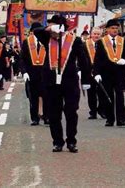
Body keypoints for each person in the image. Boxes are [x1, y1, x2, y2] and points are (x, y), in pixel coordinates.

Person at [33, 15, 89, 152]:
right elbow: (36, 30)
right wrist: (50, 28)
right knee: (53, 113)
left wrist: (86, 80)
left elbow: (83, 60)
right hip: (51, 81)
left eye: (55, 25)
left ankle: (71, 141)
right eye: (51, 26)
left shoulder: (74, 40)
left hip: (69, 81)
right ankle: (57, 141)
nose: (52, 29)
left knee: (71, 112)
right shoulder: (47, 38)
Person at [93, 19, 125, 127]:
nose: (115, 30)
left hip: (119, 73)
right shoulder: (101, 41)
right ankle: (110, 119)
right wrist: (97, 73)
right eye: (112, 28)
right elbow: (98, 59)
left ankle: (121, 119)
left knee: (120, 96)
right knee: (108, 97)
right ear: (107, 29)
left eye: (116, 28)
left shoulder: (122, 41)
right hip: (106, 73)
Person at [20, 22, 49, 125]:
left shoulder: (47, 41)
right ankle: (35, 118)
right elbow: (22, 59)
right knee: (33, 97)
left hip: (45, 73)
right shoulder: (26, 42)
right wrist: (24, 72)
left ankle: (46, 117)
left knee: (46, 96)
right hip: (31, 74)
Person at [83, 27, 106, 119]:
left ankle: (101, 110)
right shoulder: (85, 45)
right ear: (91, 34)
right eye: (95, 34)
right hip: (89, 71)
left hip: (101, 72)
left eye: (98, 34)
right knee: (91, 93)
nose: (96, 36)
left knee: (102, 92)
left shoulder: (104, 44)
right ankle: (93, 111)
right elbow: (82, 59)